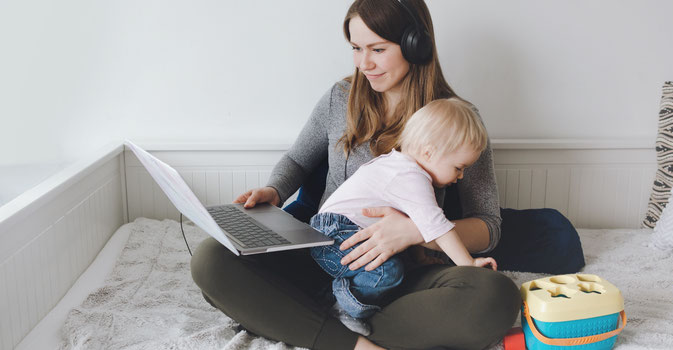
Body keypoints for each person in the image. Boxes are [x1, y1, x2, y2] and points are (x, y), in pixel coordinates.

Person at [191, 1, 524, 349]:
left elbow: (489, 226)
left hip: (401, 275)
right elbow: (298, 161)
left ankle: (306, 321)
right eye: (356, 48)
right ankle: (354, 340)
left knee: (495, 295)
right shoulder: (340, 98)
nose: (365, 63)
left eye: (378, 49)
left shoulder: (459, 124)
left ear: (415, 45)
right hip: (323, 254)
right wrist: (274, 190)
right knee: (212, 260)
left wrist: (414, 233)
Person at [310, 98, 498, 336]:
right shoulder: (410, 177)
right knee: (387, 273)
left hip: (333, 230)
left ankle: (333, 297)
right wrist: (468, 263)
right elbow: (437, 226)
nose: (460, 176)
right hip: (333, 234)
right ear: (429, 153)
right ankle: (342, 308)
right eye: (458, 167)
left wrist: (419, 258)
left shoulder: (401, 168)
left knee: (397, 268)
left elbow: (410, 223)